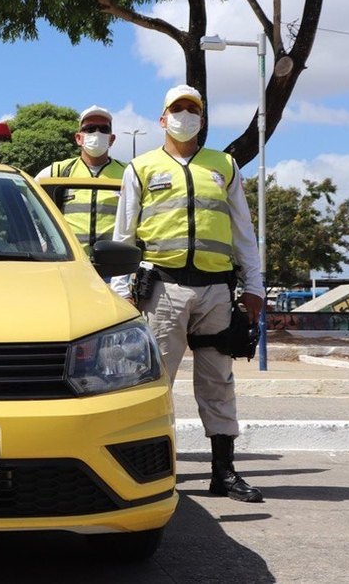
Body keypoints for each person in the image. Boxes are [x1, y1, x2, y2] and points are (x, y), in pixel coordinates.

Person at [111, 85, 265, 503]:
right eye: (176, 109)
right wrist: (120, 291)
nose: (184, 115)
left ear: (201, 118)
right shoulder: (140, 168)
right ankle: (149, 470)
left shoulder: (225, 166)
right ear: (162, 119)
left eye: (191, 109)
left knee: (219, 382)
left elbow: (244, 233)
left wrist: (254, 286)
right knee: (154, 383)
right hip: (163, 290)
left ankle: (224, 473)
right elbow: (123, 236)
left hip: (216, 290)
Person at [36, 105, 127, 256]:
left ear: (111, 139)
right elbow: (24, 197)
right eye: (90, 129)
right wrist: (40, 239)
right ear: (78, 138)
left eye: (103, 129)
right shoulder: (58, 171)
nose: (97, 133)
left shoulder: (127, 172)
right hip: (71, 263)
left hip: (116, 265)